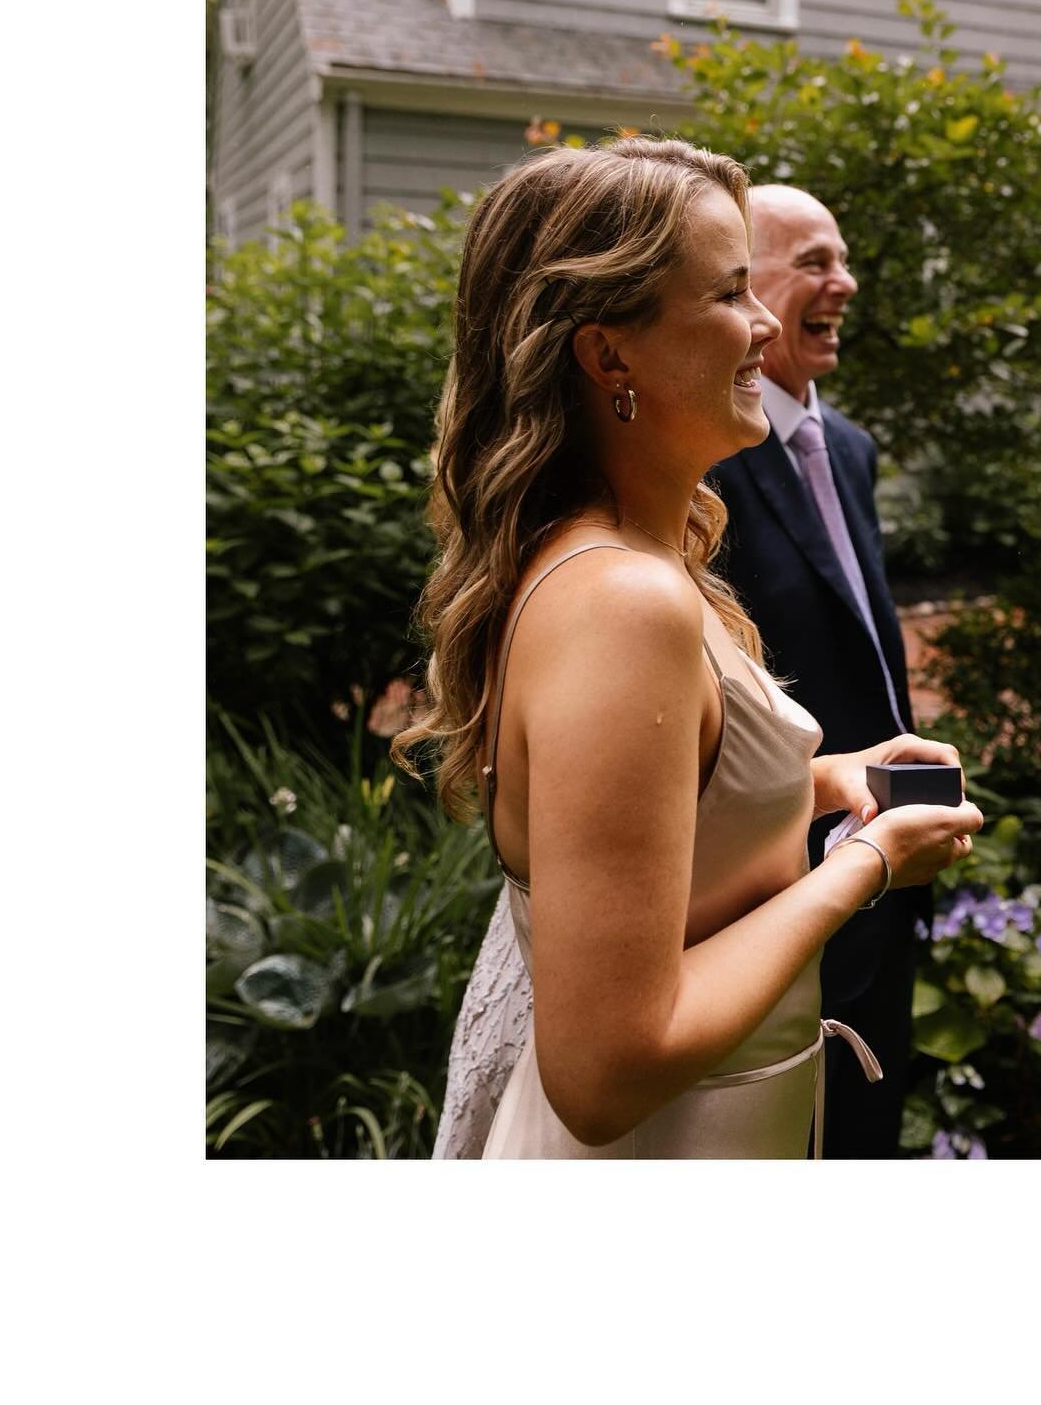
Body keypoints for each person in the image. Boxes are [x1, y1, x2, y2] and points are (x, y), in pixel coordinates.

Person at [398, 138, 981, 1159]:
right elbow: (608, 1069)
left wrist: (830, 781)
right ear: (607, 352)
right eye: (727, 295)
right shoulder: (623, 602)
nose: (763, 326)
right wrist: (869, 866)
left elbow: (651, 821)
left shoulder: (622, 558)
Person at [709, 184, 922, 1159]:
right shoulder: (708, 459)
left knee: (869, 1118)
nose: (843, 282)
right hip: (773, 872)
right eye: (814, 263)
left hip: (888, 844)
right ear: (747, 293)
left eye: (842, 259)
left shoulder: (853, 449)